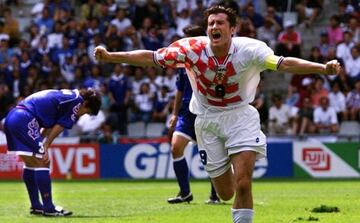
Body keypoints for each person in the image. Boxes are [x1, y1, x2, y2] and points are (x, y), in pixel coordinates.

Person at [94, 6, 341, 223]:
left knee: (244, 183)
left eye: (220, 22)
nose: (214, 26)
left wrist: (322, 69)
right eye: (211, 23)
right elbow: (151, 57)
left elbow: (284, 63)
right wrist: (110, 56)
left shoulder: (250, 49)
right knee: (226, 193)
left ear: (232, 29)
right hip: (207, 121)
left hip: (240, 116)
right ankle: (230, 171)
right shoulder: (190, 49)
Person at [4, 88, 101, 217]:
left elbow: (49, 126)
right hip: (25, 119)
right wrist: (45, 146)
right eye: (85, 112)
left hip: (13, 117)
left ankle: (36, 206)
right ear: (85, 103)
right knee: (43, 163)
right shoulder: (77, 101)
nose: (81, 115)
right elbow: (59, 126)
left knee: (30, 163)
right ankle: (49, 208)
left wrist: (42, 143)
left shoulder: (67, 97)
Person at [166, 25, 220, 204]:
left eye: (187, 38)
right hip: (186, 114)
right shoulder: (183, 63)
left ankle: (215, 194)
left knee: (212, 155)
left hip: (205, 111)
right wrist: (174, 113)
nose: (184, 42)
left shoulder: (210, 60)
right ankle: (185, 192)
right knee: (176, 147)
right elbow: (179, 90)